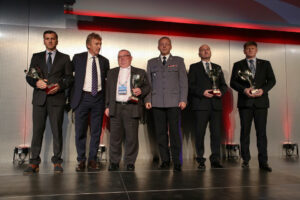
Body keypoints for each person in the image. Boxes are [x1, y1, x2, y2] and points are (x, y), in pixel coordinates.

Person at [24, 30, 73, 174]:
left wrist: (60, 86)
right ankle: (34, 163)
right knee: (37, 131)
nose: (50, 41)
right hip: (39, 99)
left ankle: (57, 162)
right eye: (47, 39)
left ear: (57, 41)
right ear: (43, 41)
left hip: (56, 100)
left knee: (57, 131)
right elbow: (30, 76)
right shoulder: (36, 56)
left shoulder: (65, 58)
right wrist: (36, 83)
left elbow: (70, 79)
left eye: (52, 39)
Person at [230, 41, 276, 172]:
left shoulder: (265, 64)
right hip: (245, 103)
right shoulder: (238, 65)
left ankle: (263, 162)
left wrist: (263, 90)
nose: (250, 50)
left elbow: (272, 80)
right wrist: (244, 90)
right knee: (245, 131)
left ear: (256, 50)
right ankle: (245, 160)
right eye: (248, 49)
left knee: (261, 132)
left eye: (252, 48)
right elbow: (233, 82)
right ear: (244, 51)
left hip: (261, 102)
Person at [145, 37, 188, 171]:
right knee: (160, 133)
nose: (164, 46)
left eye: (166, 44)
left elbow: (183, 82)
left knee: (175, 133)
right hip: (157, 103)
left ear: (171, 46)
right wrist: (148, 100)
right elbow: (148, 84)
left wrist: (183, 99)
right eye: (161, 44)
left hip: (174, 102)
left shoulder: (178, 61)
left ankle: (177, 161)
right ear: (158, 47)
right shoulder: (151, 62)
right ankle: (165, 160)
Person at [105, 49, 150, 171]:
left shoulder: (140, 72)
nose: (122, 59)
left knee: (131, 138)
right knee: (115, 137)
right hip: (116, 107)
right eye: (119, 57)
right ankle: (114, 162)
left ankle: (130, 162)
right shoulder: (111, 72)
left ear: (131, 58)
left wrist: (141, 91)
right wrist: (107, 106)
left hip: (132, 106)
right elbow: (108, 91)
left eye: (125, 56)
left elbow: (148, 87)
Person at [71, 33, 110, 172]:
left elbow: (108, 83)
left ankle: (92, 160)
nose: (99, 46)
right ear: (88, 45)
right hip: (82, 98)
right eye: (96, 44)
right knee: (80, 131)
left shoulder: (104, 61)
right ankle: (81, 160)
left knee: (96, 131)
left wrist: (107, 103)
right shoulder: (78, 58)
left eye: (100, 44)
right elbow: (70, 79)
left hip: (98, 99)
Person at [188, 44, 227, 169]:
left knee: (216, 133)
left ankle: (215, 159)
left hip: (216, 105)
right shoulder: (194, 67)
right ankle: (200, 158)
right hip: (201, 104)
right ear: (199, 53)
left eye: (207, 49)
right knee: (200, 133)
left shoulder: (217, 67)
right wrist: (202, 92)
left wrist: (221, 91)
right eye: (203, 50)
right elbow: (190, 85)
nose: (205, 51)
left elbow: (224, 85)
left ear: (210, 52)